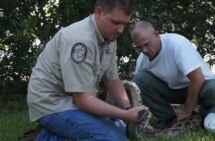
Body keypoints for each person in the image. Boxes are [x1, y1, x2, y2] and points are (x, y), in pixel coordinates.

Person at [27, 0, 148, 140]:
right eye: (115, 22)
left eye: (124, 24)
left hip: (75, 100)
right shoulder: (80, 41)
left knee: (122, 130)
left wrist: (128, 109)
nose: (120, 30)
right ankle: (43, 136)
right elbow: (83, 100)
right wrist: (125, 115)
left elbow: (112, 79)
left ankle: (57, 132)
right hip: (51, 103)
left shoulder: (109, 36)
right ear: (98, 12)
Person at [130, 21, 215, 128]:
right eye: (139, 47)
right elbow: (137, 92)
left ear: (156, 34)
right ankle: (169, 121)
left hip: (201, 87)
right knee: (139, 79)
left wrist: (187, 112)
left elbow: (197, 78)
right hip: (173, 90)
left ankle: (203, 121)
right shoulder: (142, 59)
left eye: (146, 44)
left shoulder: (177, 44)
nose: (144, 50)